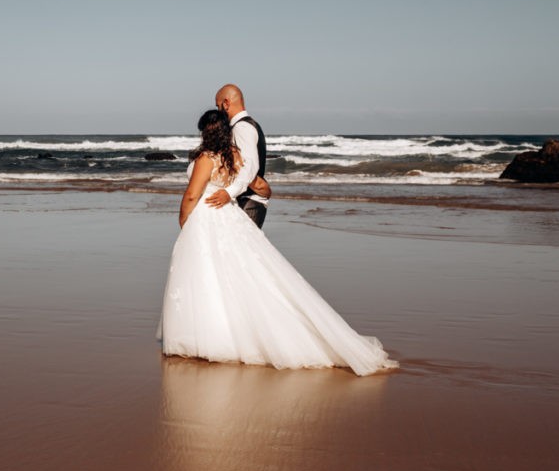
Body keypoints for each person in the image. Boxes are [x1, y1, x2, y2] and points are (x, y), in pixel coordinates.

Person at [156, 109, 397, 376]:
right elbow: (256, 183)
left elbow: (192, 194)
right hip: (229, 217)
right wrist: (231, 193)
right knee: (239, 276)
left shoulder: (205, 157)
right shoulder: (235, 155)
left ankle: (210, 336)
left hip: (206, 217)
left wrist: (184, 220)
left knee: (205, 276)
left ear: (206, 131)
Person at [204, 84, 269, 228]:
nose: (218, 111)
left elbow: (250, 165)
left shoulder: (242, 128)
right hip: (245, 199)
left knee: (242, 250)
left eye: (218, 106)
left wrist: (229, 192)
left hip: (249, 202)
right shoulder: (244, 126)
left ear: (226, 103)